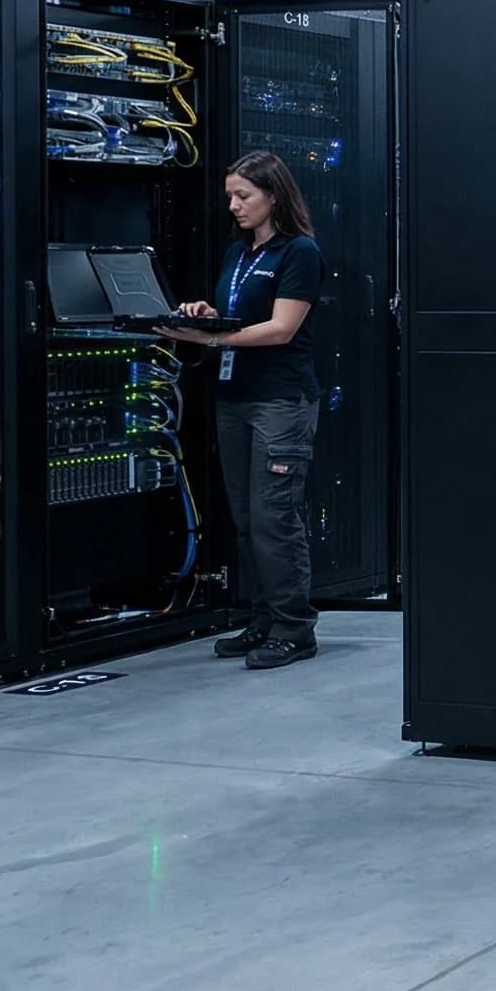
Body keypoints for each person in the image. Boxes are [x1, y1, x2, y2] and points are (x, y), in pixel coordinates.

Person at [163, 150, 324, 669]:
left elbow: (281, 329)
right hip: (236, 399)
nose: (233, 205)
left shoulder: (299, 252)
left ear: (273, 195)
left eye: (243, 195)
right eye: (230, 195)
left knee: (275, 515)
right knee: (247, 518)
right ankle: (264, 618)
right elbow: (242, 319)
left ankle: (295, 628)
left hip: (280, 399)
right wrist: (208, 317)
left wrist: (209, 341)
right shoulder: (240, 253)